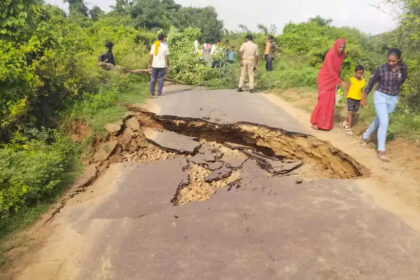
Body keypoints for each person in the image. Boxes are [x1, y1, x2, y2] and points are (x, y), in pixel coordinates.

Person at [360, 49, 407, 162]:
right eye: (389, 60)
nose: (390, 63)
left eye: (393, 61)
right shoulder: (381, 68)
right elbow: (371, 82)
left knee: (380, 119)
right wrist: (364, 97)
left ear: (398, 60)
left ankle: (365, 136)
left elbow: (402, 80)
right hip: (380, 95)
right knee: (385, 121)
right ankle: (381, 151)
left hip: (393, 98)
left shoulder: (403, 69)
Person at [311, 38, 347, 130]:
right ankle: (315, 122)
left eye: (343, 47)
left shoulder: (341, 55)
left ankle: (325, 125)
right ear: (336, 46)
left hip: (333, 80)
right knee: (323, 101)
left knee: (330, 102)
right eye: (340, 47)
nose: (341, 49)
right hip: (325, 79)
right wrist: (340, 81)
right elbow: (331, 71)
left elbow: (342, 58)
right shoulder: (330, 55)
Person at [343, 65, 366, 135]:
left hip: (358, 99)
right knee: (350, 112)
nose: (359, 75)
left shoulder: (363, 81)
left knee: (354, 113)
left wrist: (363, 99)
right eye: (358, 73)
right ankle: (349, 128)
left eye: (361, 73)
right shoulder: (352, 79)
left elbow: (361, 91)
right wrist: (345, 93)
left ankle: (346, 121)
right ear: (355, 72)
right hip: (350, 97)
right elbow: (348, 86)